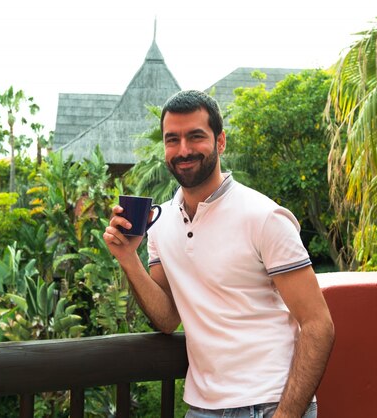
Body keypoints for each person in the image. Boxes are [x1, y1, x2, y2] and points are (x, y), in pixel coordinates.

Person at [103, 90, 335, 418]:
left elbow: (318, 324)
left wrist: (285, 415)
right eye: (173, 139)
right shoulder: (160, 224)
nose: (183, 150)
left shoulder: (264, 216)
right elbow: (168, 318)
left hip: (269, 403)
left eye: (195, 136)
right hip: (203, 407)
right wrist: (128, 258)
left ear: (220, 141)